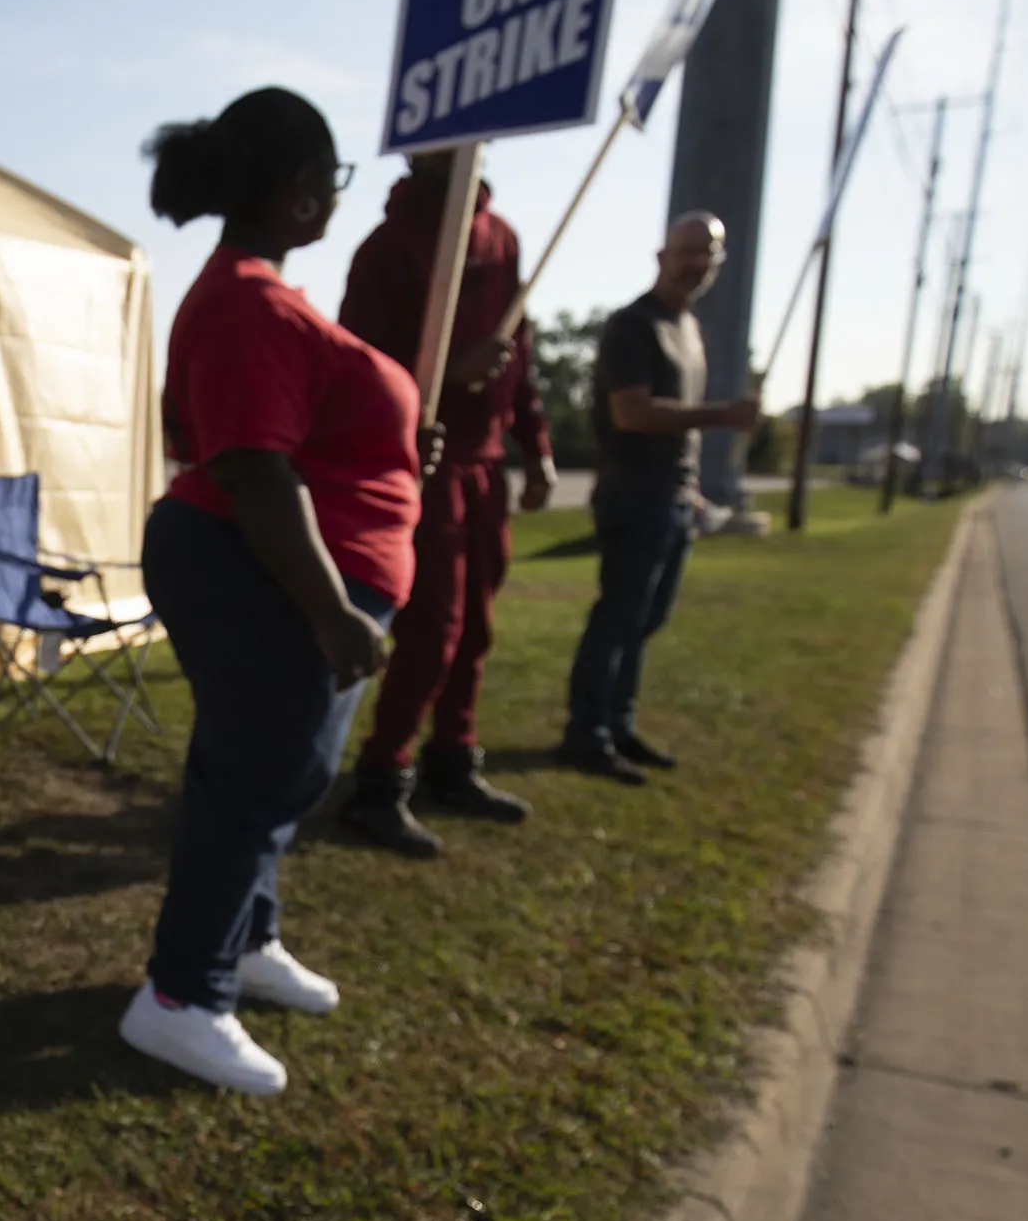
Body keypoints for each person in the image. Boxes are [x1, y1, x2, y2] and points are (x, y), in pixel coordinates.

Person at [120, 88, 423, 1095]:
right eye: (334, 183)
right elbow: (252, 466)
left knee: (270, 770)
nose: (337, 200)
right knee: (258, 774)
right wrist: (332, 607)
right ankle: (181, 994)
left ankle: (245, 940)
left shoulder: (256, 295)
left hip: (267, 559)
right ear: (301, 193)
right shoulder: (249, 300)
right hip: (255, 561)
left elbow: (306, 441)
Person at [334, 148, 555, 858]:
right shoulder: (388, 246)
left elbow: (517, 350)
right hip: (421, 462)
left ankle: (453, 758)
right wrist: (440, 374)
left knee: (478, 624)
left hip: (486, 463)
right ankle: (381, 776)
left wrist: (535, 443)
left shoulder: (501, 237)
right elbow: (356, 365)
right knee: (432, 628)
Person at [558, 212, 760, 785]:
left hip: (674, 495)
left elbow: (679, 431)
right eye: (687, 251)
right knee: (618, 616)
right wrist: (725, 415)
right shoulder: (634, 325)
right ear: (662, 256)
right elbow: (633, 412)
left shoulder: (688, 328)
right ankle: (586, 733)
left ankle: (618, 723)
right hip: (632, 494)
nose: (696, 264)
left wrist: (691, 487)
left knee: (647, 620)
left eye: (709, 255)